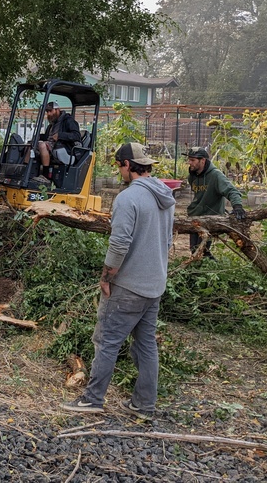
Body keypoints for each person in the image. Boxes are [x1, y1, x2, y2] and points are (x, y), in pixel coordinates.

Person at [62, 143, 175, 420]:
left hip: (129, 286)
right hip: (154, 284)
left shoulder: (128, 198)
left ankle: (92, 399)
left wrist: (106, 276)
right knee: (146, 345)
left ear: (126, 164)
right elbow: (169, 241)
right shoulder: (165, 195)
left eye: (119, 166)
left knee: (107, 341)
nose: (119, 171)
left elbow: (120, 243)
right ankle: (144, 404)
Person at [183, 146, 246, 259]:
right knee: (194, 250)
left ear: (203, 160)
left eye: (192, 160)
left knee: (202, 251)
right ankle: (199, 272)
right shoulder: (192, 176)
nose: (189, 162)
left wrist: (237, 206)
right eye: (189, 159)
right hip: (195, 217)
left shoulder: (216, 175)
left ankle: (210, 270)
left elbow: (232, 191)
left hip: (210, 218)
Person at [31, 101, 81, 183]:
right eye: (47, 112)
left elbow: (76, 135)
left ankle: (45, 176)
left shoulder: (68, 120)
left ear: (57, 110)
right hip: (52, 146)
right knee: (31, 145)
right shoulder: (52, 124)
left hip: (65, 148)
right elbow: (47, 137)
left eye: (51, 111)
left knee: (42, 145)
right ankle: (25, 171)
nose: (49, 114)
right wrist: (37, 137)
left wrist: (60, 135)